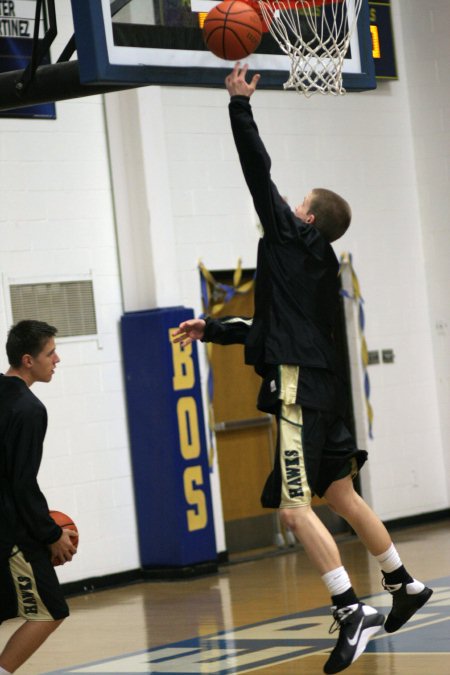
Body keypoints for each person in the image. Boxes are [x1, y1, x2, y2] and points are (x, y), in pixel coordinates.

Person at [173, 63, 433, 674]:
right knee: (339, 491)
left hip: (297, 386)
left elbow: (256, 174)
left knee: (293, 507)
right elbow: (272, 329)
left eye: (298, 205)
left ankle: (350, 607)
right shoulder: (316, 268)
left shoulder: (292, 240)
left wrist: (239, 106)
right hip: (325, 387)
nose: (287, 208)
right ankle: (404, 583)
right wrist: (210, 327)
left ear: (307, 220)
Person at [0, 320, 77, 674]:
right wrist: (50, 533)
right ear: (28, 360)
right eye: (50, 353)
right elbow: (22, 484)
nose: (57, 359)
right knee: (50, 609)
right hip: (10, 531)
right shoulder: (28, 410)